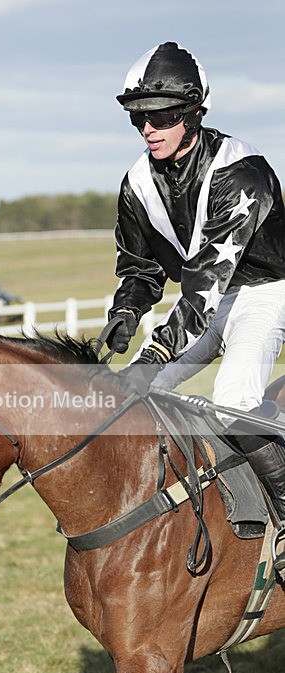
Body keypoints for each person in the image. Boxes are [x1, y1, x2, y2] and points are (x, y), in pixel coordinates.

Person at [106, 41, 285, 571]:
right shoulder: (137, 183)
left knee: (232, 401)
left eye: (159, 117)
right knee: (138, 400)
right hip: (203, 301)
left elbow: (202, 288)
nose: (147, 130)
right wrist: (126, 313)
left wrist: (153, 356)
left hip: (265, 292)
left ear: (191, 113)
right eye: (139, 119)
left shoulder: (242, 172)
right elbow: (139, 268)